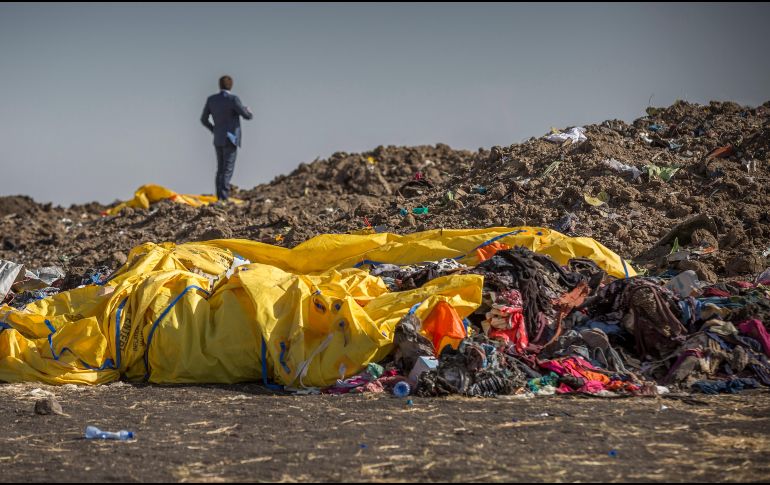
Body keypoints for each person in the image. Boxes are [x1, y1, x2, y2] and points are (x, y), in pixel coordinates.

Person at [200, 75, 253, 201]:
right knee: (227, 169)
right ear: (231, 85)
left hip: (218, 138)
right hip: (230, 138)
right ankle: (223, 198)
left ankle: (220, 196)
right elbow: (246, 115)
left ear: (219, 85)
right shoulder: (233, 99)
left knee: (220, 169)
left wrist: (214, 129)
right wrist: (249, 111)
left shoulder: (211, 100)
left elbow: (203, 119)